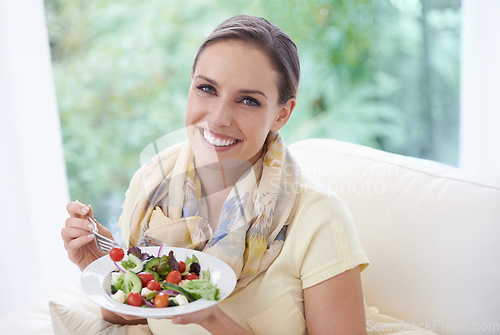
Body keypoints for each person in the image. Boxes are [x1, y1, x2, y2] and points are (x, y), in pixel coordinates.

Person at [62, 15, 370, 334]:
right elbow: (140, 314)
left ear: (282, 114)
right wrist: (99, 267)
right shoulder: (151, 183)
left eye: (248, 100)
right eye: (207, 88)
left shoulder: (317, 217)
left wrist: (212, 317)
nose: (219, 118)